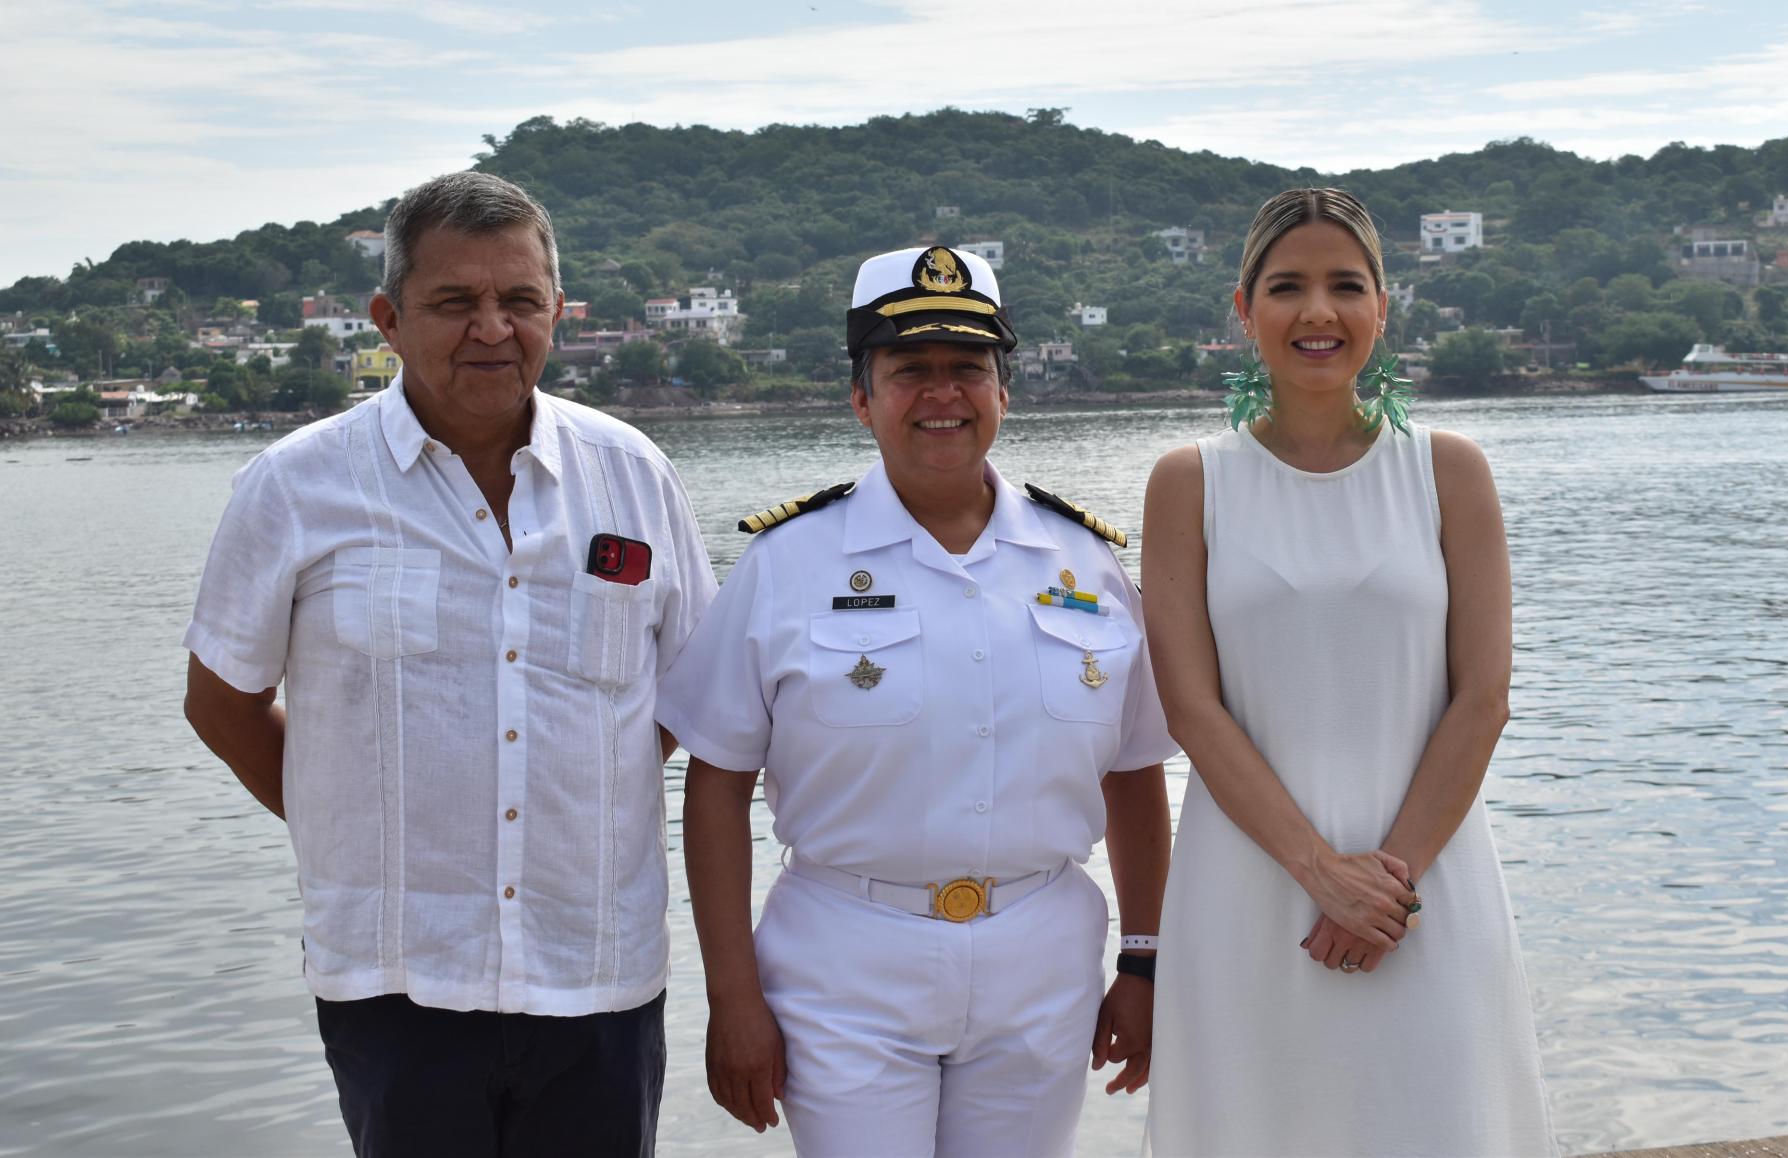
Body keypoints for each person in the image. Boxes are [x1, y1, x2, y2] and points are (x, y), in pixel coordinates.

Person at [180, 171, 716, 1158]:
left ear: (557, 310)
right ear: (387, 317)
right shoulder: (297, 486)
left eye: (518, 300)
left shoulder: (634, 477)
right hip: (394, 982)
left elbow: (688, 695)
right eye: (454, 301)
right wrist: (355, 817)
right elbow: (222, 700)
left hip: (594, 973)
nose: (492, 327)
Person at [662, 244, 1175, 1157]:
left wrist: (1145, 961)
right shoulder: (789, 562)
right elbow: (715, 784)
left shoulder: (1084, 563)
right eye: (911, 371)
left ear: (1003, 392)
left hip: (1040, 956)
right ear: (862, 398)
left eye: (967, 369)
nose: (943, 394)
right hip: (844, 960)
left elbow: (1134, 773)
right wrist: (732, 997)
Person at [1139, 188, 1556, 1156]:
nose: (1316, 311)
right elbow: (1192, 710)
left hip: (1426, 892)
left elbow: (1481, 698)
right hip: (1247, 893)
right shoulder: (1186, 482)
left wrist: (1384, 887)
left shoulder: (1447, 470)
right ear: (1242, 310)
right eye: (1286, 286)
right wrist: (1319, 872)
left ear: (1381, 305)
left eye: (1344, 285)